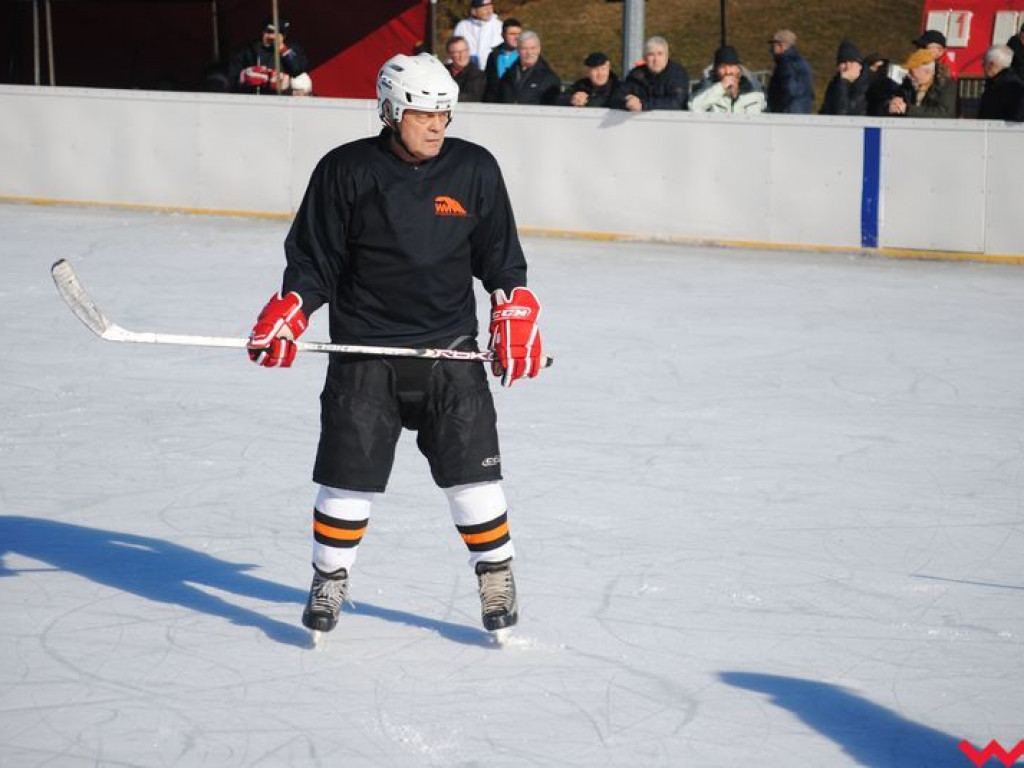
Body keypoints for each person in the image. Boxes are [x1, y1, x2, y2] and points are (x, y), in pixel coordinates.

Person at [245, 52, 546, 638]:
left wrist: (515, 305)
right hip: (365, 352)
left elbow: (501, 259)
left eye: (445, 115)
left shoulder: (474, 169)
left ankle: (495, 574)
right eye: (424, 113)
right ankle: (329, 578)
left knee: (474, 478)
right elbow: (315, 260)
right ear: (389, 109)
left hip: (449, 351)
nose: (437, 125)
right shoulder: (345, 170)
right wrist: (293, 307)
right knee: (346, 479)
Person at [226, 18, 310, 95]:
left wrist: (282, 48)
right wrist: (243, 77)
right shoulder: (250, 50)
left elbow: (299, 70)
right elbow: (230, 79)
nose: (269, 36)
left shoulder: (292, 48)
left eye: (273, 33)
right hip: (254, 99)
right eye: (266, 32)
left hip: (283, 102)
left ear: (283, 36)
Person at [612, 36, 690, 111]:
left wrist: (643, 105)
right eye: (651, 55)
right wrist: (628, 102)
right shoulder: (636, 76)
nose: (656, 59)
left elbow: (677, 102)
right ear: (644, 58)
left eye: (660, 54)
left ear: (667, 56)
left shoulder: (677, 74)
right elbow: (616, 97)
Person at [689, 45, 765, 114]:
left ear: (739, 69)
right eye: (723, 67)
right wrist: (721, 87)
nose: (728, 72)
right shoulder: (706, 87)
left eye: (731, 66)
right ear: (716, 70)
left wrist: (736, 96)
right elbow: (693, 107)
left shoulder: (753, 89)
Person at [496, 30, 561, 106]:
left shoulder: (549, 78)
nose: (529, 53)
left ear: (539, 49)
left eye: (532, 48)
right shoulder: (507, 75)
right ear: (518, 50)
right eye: (524, 48)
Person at [886, 48, 956, 118]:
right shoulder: (907, 86)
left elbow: (943, 113)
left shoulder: (947, 87)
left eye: (911, 72)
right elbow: (887, 103)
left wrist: (908, 109)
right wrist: (892, 106)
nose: (908, 75)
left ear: (927, 72)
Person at [766, 29, 814, 113]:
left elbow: (789, 90)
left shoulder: (786, 64)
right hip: (802, 111)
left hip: (789, 115)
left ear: (780, 46)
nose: (771, 49)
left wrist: (777, 109)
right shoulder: (801, 62)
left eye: (773, 45)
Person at [819, 40, 870, 116]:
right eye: (843, 62)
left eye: (852, 62)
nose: (848, 67)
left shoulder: (869, 86)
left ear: (860, 66)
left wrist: (843, 82)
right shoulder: (834, 85)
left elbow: (844, 113)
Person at [977, 45, 1024, 121]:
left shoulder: (1010, 87)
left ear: (991, 64)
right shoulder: (997, 84)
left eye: (984, 63)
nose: (982, 66)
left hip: (1000, 131)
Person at [453, 0, 503, 70]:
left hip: (491, 71)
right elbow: (454, 50)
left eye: (491, 8)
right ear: (474, 11)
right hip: (468, 72)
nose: (489, 12)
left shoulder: (499, 26)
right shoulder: (462, 26)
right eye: (485, 9)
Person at [483, 17, 522, 102]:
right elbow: (488, 83)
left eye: (519, 34)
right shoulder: (493, 56)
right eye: (512, 34)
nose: (516, 37)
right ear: (502, 35)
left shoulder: (525, 56)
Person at [445, 36, 486, 102]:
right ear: (450, 55)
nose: (462, 55)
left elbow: (471, 97)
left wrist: (444, 98)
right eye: (457, 52)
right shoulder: (442, 72)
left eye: (464, 50)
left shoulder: (478, 75)